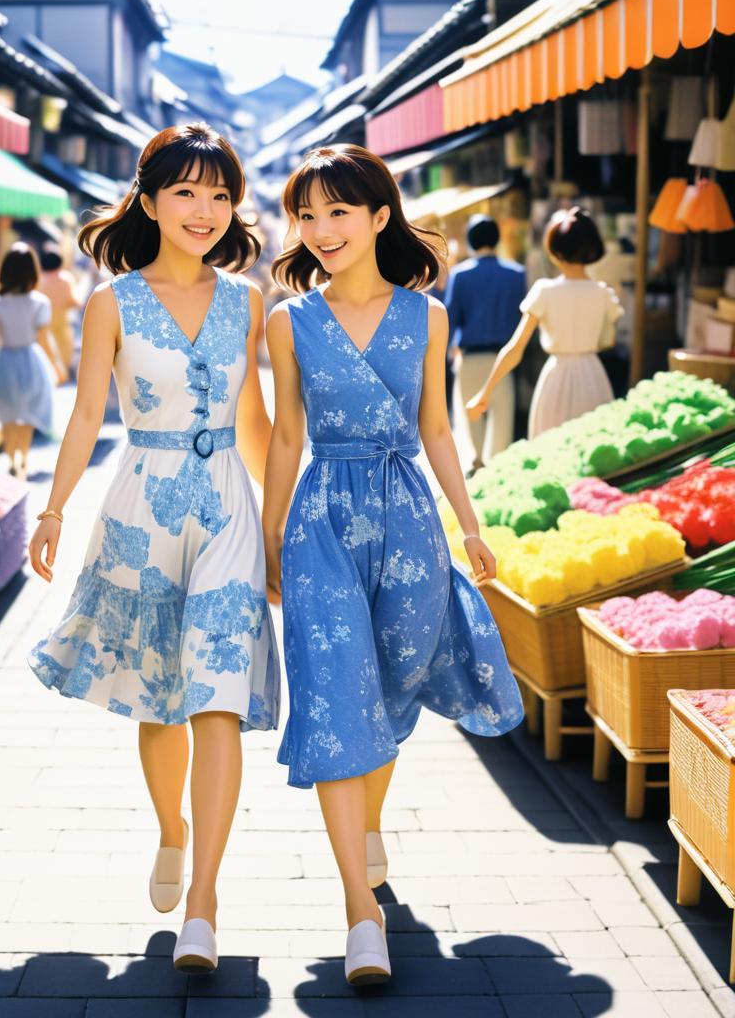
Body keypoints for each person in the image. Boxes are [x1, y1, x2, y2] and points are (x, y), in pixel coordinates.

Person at [262, 145, 524, 986]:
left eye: (339, 211)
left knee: (394, 683)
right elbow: (286, 437)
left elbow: (439, 430)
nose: (320, 229)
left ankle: (368, 824)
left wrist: (471, 526)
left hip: (409, 516)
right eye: (307, 214)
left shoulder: (430, 315)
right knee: (339, 692)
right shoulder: (288, 318)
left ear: (381, 217)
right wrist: (270, 536)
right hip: (323, 525)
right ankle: (359, 913)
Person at [26, 123, 280, 975]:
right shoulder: (112, 303)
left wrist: (279, 528)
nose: (205, 210)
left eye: (219, 195)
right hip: (142, 508)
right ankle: (171, 829)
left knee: (217, 696)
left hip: (228, 515)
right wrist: (54, 510)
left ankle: (204, 901)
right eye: (186, 193)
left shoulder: (249, 300)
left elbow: (255, 424)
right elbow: (87, 415)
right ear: (149, 199)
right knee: (160, 696)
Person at [467, 207, 623, 438]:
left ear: (555, 251)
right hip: (593, 378)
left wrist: (485, 393)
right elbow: (607, 341)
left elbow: (515, 349)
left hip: (557, 378)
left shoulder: (544, 291)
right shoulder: (604, 293)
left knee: (552, 453)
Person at [0, 244, 60, 478]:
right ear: (32, 272)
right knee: (27, 415)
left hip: (5, 361)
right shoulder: (39, 302)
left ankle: (10, 457)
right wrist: (57, 366)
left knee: (7, 414)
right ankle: (23, 459)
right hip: (31, 360)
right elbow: (45, 340)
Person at [443, 215, 526, 468]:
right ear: (497, 239)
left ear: (470, 241)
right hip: (506, 358)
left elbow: (450, 317)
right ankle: (498, 471)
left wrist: (448, 352)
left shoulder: (460, 274)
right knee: (502, 425)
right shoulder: (517, 274)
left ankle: (478, 466)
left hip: (470, 357)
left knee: (472, 421)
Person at [38, 241, 80, 382]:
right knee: (65, 348)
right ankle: (63, 374)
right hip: (62, 320)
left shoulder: (40, 280)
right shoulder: (66, 278)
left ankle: (51, 373)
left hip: (44, 320)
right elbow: (73, 301)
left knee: (46, 347)